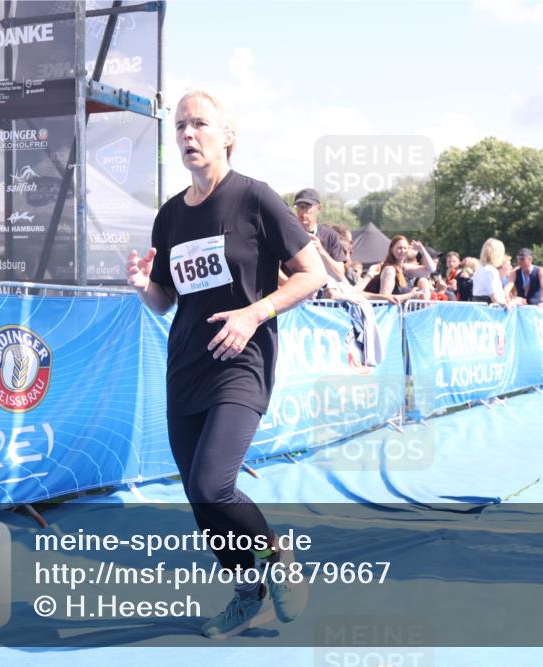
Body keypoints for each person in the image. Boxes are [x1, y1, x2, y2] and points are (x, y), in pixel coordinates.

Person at [126, 90, 325, 639]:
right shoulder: (169, 216)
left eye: (199, 124)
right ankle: (246, 594)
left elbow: (313, 275)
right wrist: (146, 286)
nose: (188, 134)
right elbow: (166, 300)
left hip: (242, 360)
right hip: (186, 365)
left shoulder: (256, 199)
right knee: (197, 493)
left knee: (215, 484)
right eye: (180, 126)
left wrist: (254, 314)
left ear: (227, 135)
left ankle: (278, 560)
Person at [363, 235, 436, 302]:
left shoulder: (404, 268)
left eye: (405, 248)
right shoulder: (390, 270)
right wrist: (410, 295)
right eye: (399, 248)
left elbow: (431, 269)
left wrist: (422, 250)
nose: (402, 251)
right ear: (391, 249)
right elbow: (384, 298)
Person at [472, 237, 508, 305]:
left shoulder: (479, 270)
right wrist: (506, 304)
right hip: (489, 309)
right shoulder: (491, 271)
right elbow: (494, 296)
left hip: (478, 306)